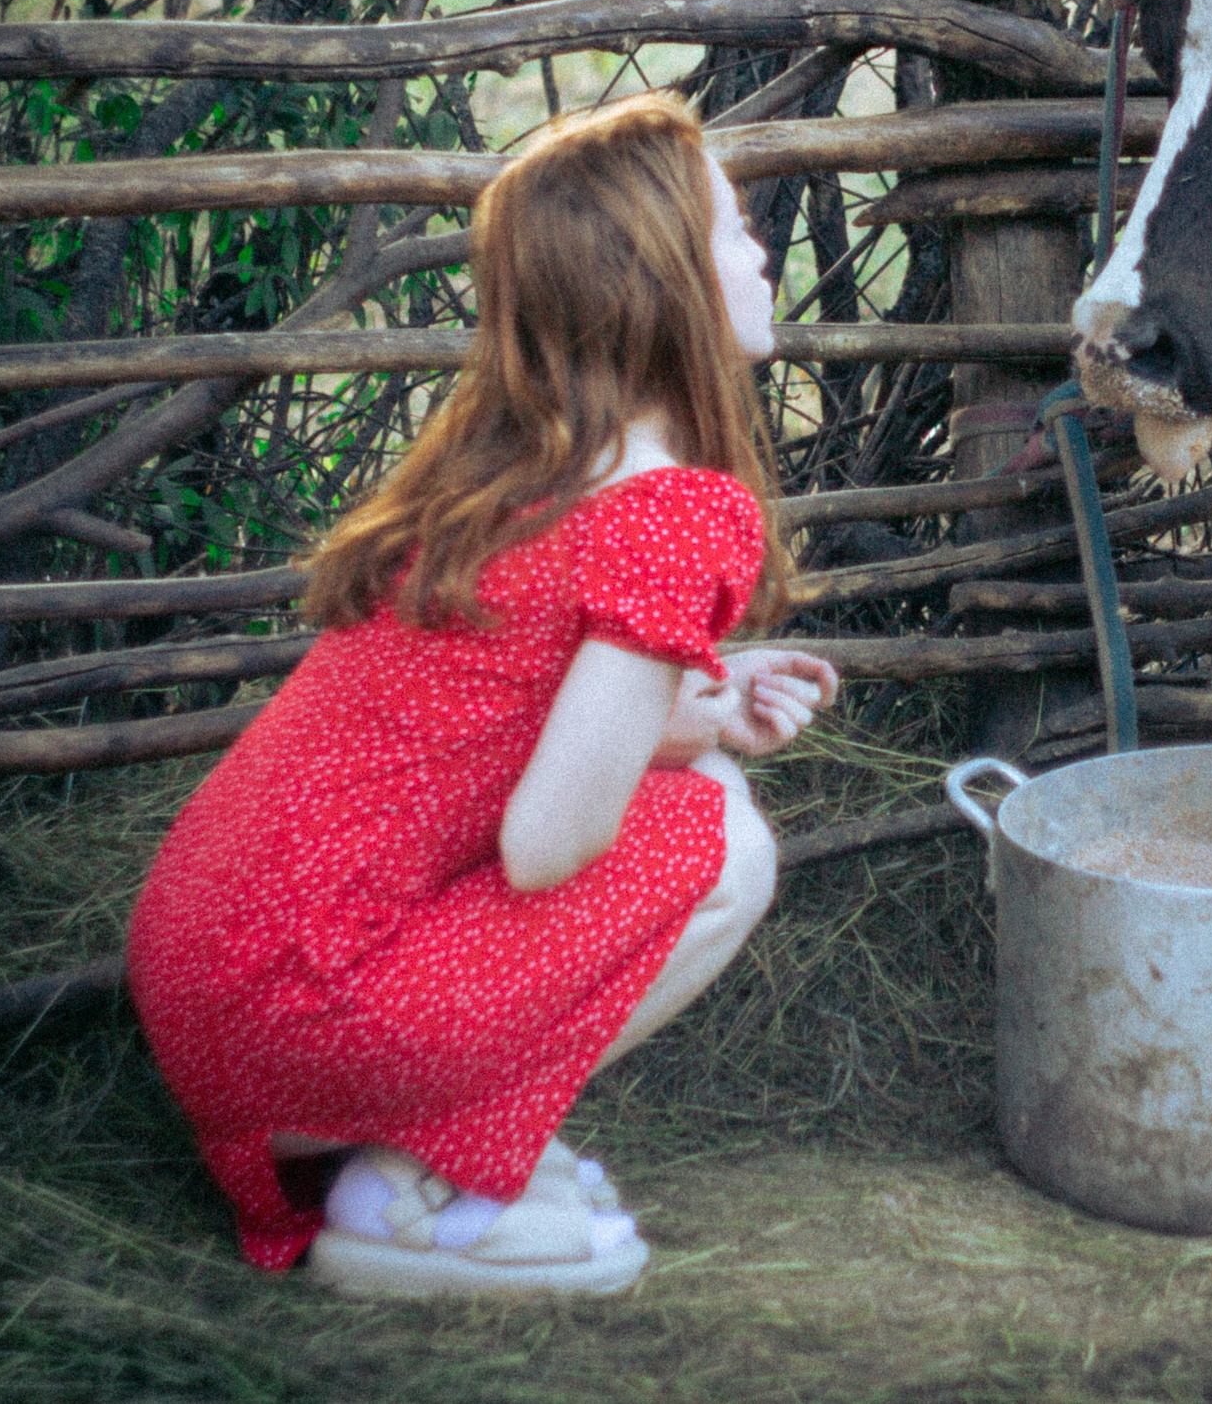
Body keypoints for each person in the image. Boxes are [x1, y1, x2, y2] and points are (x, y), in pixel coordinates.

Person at [126, 93, 837, 1298]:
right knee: (721, 838)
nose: (758, 252)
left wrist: (693, 696)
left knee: (696, 779)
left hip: (208, 981)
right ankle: (419, 1183)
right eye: (730, 230)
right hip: (302, 1011)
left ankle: (394, 1141)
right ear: (657, 281)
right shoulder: (668, 503)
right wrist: (698, 732)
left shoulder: (513, 470)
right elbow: (549, 841)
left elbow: (483, 716)